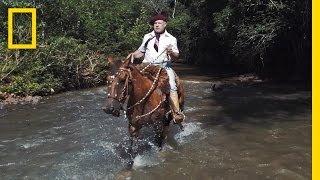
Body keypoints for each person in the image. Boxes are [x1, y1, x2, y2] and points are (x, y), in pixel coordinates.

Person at [127, 14, 184, 123]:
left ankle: (176, 112)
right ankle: (128, 108)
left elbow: (176, 56)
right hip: (146, 65)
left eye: (159, 23)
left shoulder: (171, 39)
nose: (157, 25)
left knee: (171, 85)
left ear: (165, 24)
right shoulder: (147, 36)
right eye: (155, 23)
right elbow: (141, 51)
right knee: (131, 80)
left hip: (164, 66)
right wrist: (133, 55)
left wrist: (171, 53)